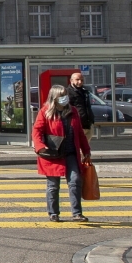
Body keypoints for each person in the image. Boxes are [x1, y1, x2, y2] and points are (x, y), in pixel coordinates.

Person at [33, 83, 91, 221]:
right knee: (53, 185)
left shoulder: (73, 111)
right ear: (54, 97)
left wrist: (86, 151)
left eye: (65, 95)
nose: (65, 98)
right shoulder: (45, 111)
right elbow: (37, 131)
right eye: (61, 96)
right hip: (53, 153)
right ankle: (53, 213)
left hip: (71, 152)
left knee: (75, 181)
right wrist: (40, 146)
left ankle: (77, 213)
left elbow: (80, 134)